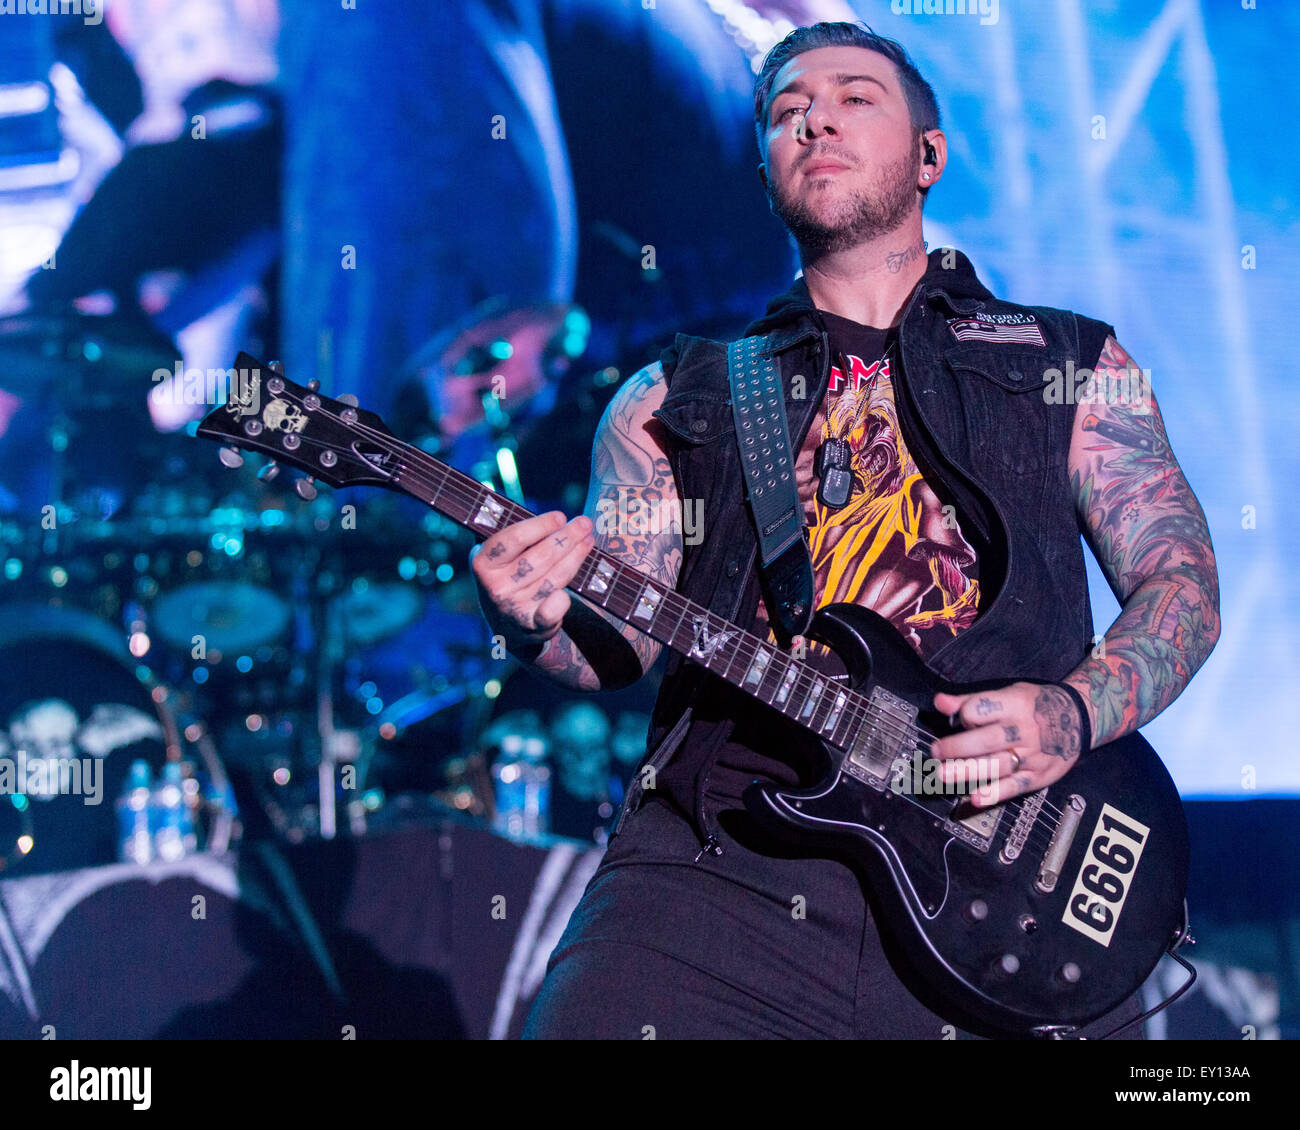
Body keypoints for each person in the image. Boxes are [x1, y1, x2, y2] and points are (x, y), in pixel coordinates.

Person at [471, 21, 1221, 1039]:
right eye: (784, 111)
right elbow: (621, 640)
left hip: (1014, 878)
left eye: (853, 96)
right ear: (767, 169)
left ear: (928, 154)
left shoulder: (1069, 360)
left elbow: (1181, 585)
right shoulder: (667, 395)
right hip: (719, 869)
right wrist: (533, 618)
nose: (812, 115)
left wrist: (1073, 713)